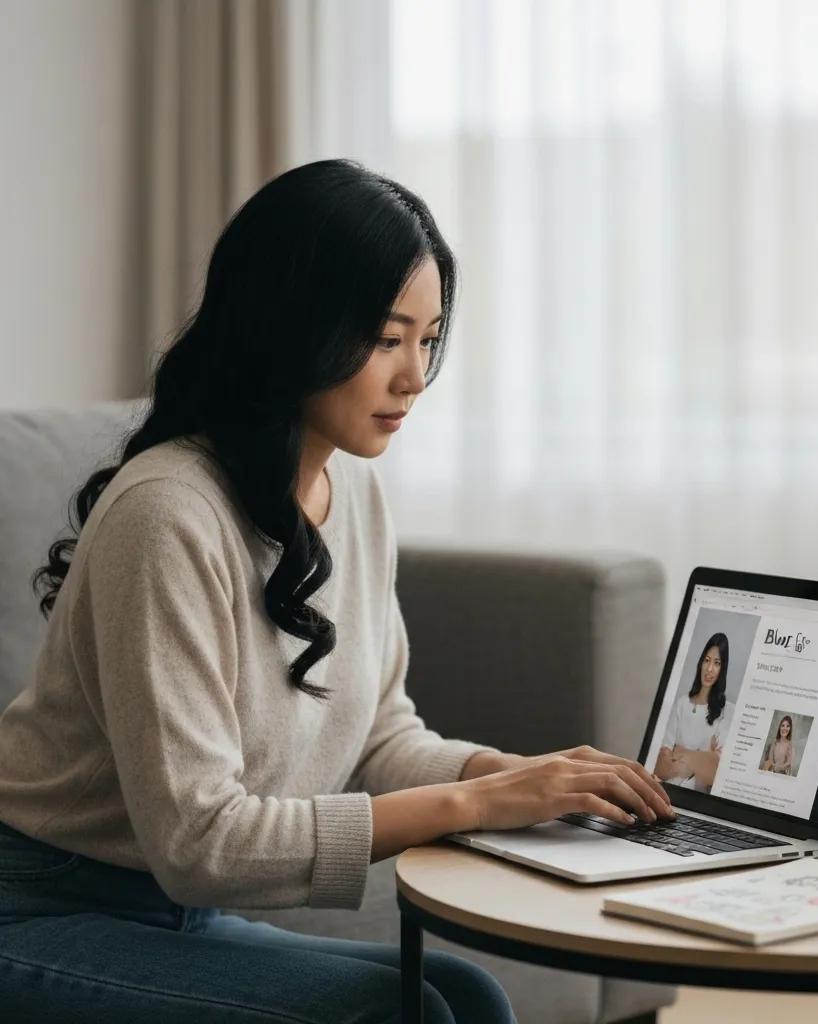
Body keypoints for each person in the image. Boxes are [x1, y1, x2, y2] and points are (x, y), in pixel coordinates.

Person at [0, 159, 675, 1023]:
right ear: (293, 327)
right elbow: (199, 842)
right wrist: (475, 803)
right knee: (403, 1013)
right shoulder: (166, 514)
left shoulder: (349, 490)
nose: (414, 378)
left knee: (466, 992)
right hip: (39, 909)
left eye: (429, 341)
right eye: (388, 339)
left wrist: (520, 776)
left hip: (170, 916)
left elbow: (379, 734)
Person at [654, 633, 735, 794]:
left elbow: (714, 772)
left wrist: (681, 753)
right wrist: (700, 758)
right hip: (668, 790)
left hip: (698, 797)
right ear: (701, 663)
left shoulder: (728, 711)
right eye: (707, 660)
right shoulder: (682, 703)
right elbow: (662, 764)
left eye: (717, 663)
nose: (710, 668)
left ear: (722, 669)